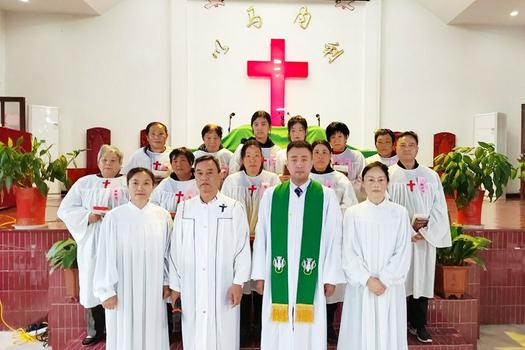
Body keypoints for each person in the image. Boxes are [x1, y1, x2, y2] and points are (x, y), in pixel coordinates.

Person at [252, 140, 344, 350]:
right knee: (277, 325)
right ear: (287, 163)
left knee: (309, 327)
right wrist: (259, 274)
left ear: (312, 161)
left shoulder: (326, 197)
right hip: (278, 272)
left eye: (304, 159)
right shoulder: (272, 195)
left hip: (313, 274)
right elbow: (262, 235)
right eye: (294, 159)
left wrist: (330, 276)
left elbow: (333, 238)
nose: (299, 164)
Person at [170, 155, 252, 350]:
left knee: (224, 331)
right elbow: (175, 248)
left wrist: (238, 282)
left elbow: (242, 248)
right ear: (194, 177)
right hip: (191, 283)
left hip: (224, 284)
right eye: (199, 173)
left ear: (220, 176)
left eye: (209, 173)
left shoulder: (233, 208)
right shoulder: (184, 208)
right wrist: (175, 285)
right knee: (194, 330)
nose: (204, 178)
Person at [94, 167, 173, 350]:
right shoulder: (114, 217)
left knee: (153, 329)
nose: (140, 188)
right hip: (123, 288)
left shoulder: (162, 216)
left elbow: (168, 253)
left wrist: (166, 281)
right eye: (135, 183)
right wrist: (106, 291)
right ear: (127, 186)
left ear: (153, 186)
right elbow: (105, 254)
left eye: (146, 183)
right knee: (124, 331)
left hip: (153, 287)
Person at [57, 145, 128, 346]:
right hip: (93, 237)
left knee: (119, 281)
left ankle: (119, 328)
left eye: (113, 161)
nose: (108, 164)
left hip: (120, 238)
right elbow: (66, 209)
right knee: (92, 281)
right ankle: (95, 330)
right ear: (98, 162)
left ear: (120, 164)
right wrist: (89, 215)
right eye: (105, 160)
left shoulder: (127, 181)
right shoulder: (84, 183)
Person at [338, 161, 412, 350]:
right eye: (371, 180)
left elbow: (403, 251)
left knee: (389, 333)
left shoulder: (400, 213)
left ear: (387, 182)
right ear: (362, 182)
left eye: (381, 180)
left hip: (390, 287)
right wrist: (366, 279)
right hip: (361, 287)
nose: (376, 184)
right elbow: (348, 251)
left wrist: (385, 279)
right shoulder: (353, 214)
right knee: (359, 334)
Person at [388, 131, 451, 344]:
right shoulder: (388, 174)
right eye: (403, 145)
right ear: (396, 148)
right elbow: (384, 207)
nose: (407, 148)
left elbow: (439, 208)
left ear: (417, 149)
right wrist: (405, 231)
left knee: (421, 280)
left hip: (424, 240)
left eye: (411, 145)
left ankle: (419, 324)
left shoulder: (430, 176)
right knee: (399, 280)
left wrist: (426, 232)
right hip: (398, 241)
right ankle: (398, 324)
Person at [221, 140, 280, 345]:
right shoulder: (231, 181)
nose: (253, 160)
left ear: (262, 158)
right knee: (243, 284)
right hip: (239, 240)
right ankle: (245, 327)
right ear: (242, 159)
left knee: (262, 284)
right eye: (248, 156)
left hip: (264, 240)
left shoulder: (272, 179)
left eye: (257, 156)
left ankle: (263, 328)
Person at [309, 139, 357, 344]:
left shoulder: (341, 180)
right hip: (308, 239)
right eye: (316, 152)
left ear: (331, 156)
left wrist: (329, 215)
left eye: (324, 152)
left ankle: (328, 326)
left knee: (331, 283)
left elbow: (350, 206)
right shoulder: (304, 178)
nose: (320, 156)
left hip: (333, 239)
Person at [150, 147, 199, 217]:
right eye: (175, 161)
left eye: (183, 160)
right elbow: (153, 204)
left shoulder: (199, 183)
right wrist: (166, 215)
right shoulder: (165, 184)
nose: (178, 164)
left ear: (191, 162)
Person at [325, 121, 365, 197]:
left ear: (346, 138)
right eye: (333, 137)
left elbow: (362, 178)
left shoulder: (357, 156)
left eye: (340, 136)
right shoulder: (325, 156)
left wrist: (347, 190)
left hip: (352, 197)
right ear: (329, 140)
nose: (336, 140)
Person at [275, 116, 308, 181]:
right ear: (289, 133)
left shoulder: (312, 153)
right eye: (293, 130)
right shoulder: (280, 154)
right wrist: (280, 178)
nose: (296, 134)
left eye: (300, 130)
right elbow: (277, 174)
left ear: (306, 132)